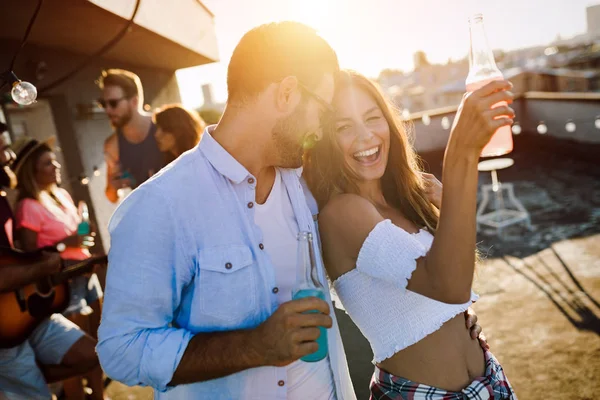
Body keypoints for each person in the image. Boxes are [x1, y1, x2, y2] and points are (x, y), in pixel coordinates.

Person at [97, 22, 484, 399]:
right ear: (286, 94)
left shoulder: (304, 185)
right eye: (323, 112)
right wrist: (253, 347)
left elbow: (381, 232)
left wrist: (444, 321)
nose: (322, 130)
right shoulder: (159, 206)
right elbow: (122, 348)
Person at [304, 70, 516, 399]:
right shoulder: (342, 213)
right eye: (344, 127)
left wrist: (457, 317)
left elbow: (449, 282)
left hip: (489, 382)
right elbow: (448, 285)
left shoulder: (409, 200)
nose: (364, 138)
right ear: (325, 140)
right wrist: (461, 152)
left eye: (372, 118)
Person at [0, 129, 99, 400]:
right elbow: (31, 253)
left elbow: (15, 257)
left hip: (25, 313)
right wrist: (54, 256)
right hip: (6, 332)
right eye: (2, 150)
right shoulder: (25, 206)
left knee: (93, 354)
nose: (9, 157)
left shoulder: (2, 201)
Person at [98, 69, 164, 203]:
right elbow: (111, 197)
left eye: (113, 103)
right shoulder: (112, 145)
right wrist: (113, 186)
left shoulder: (163, 127)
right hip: (153, 216)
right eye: (103, 104)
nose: (107, 110)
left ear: (134, 101)